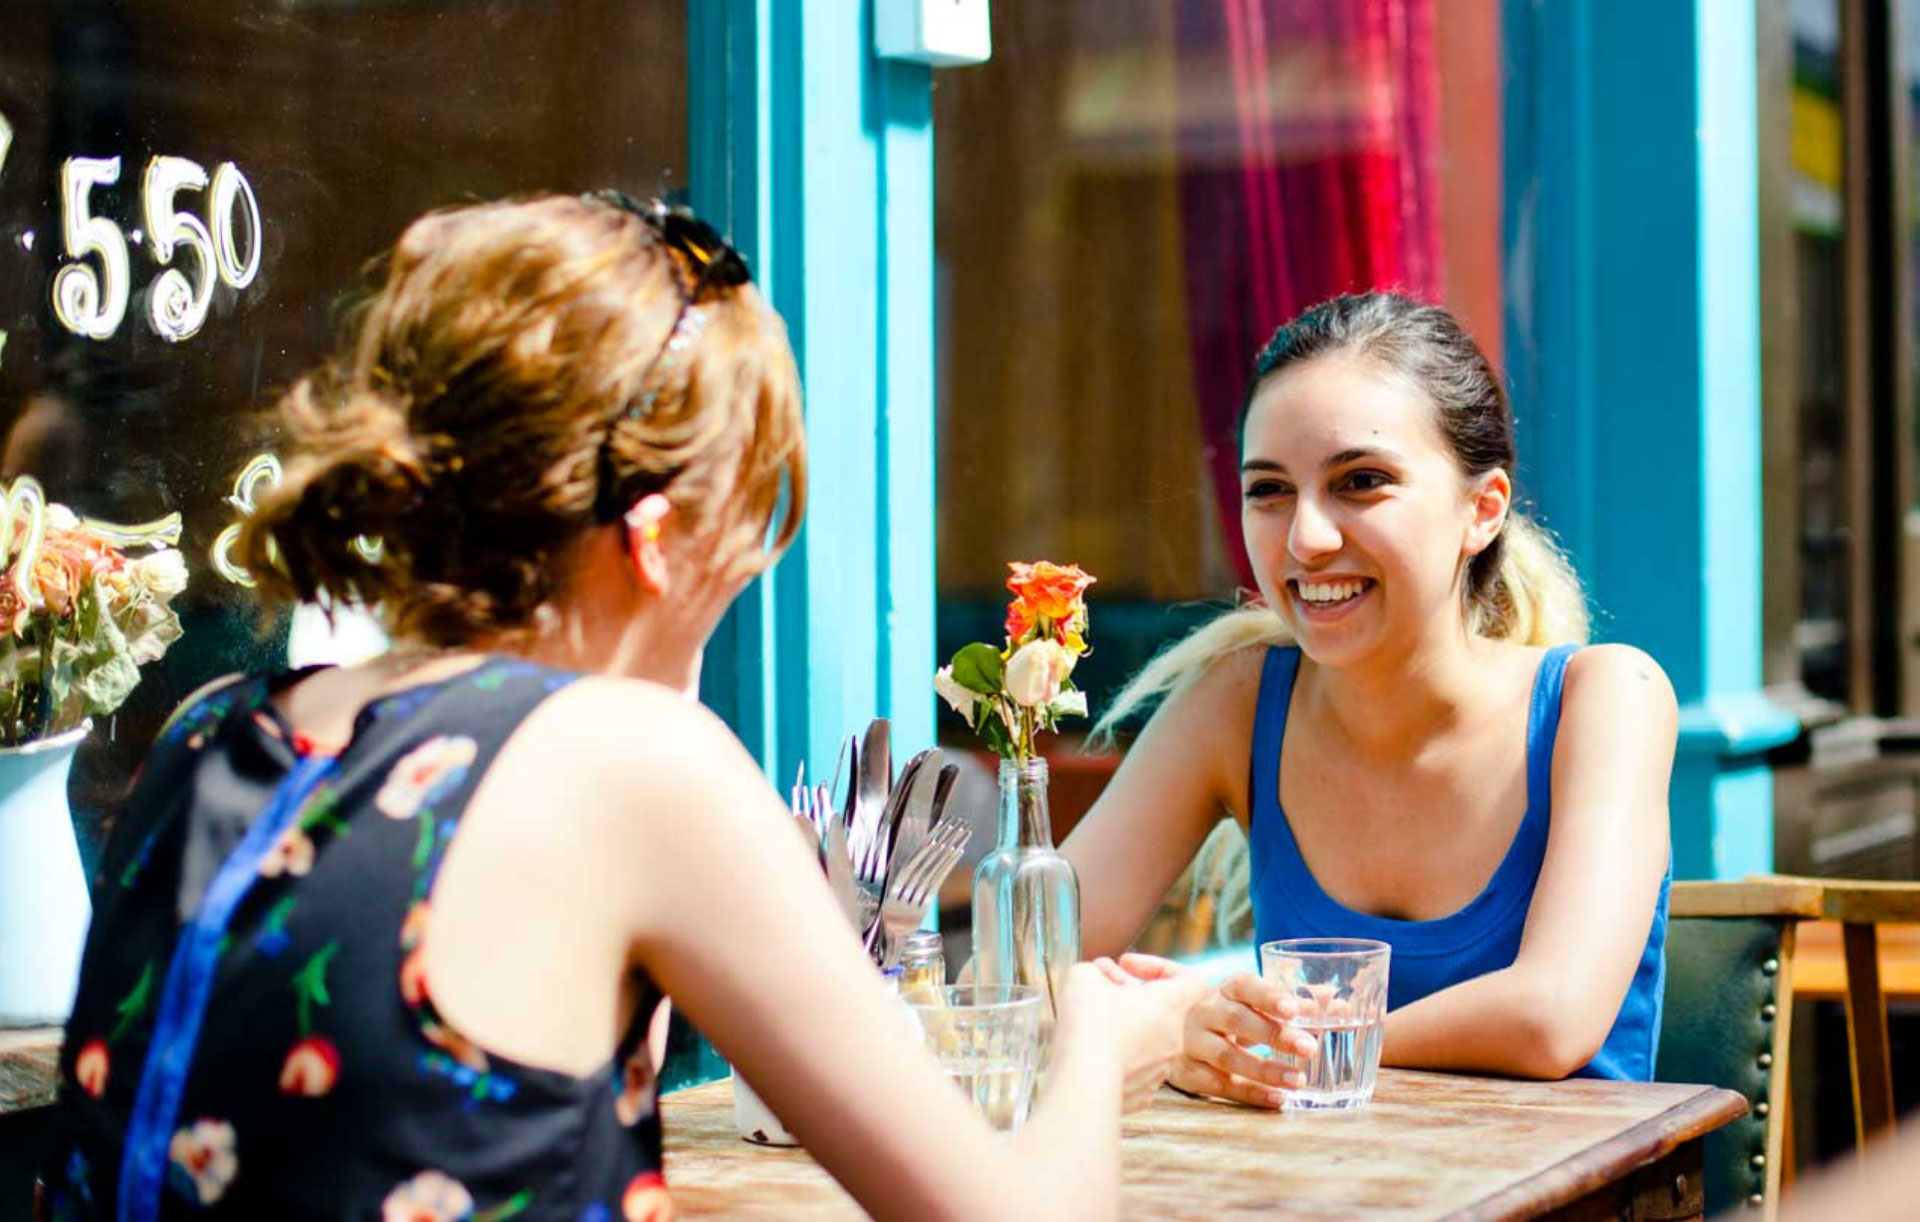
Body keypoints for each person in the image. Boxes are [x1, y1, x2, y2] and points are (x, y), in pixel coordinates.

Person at [38, 193, 1206, 1222]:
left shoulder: (212, 726)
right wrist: (1097, 1043)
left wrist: (644, 660)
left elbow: (569, 1097)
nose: (756, 567)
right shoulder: (637, 768)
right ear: (657, 538)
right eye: (758, 514)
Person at [1067, 291, 1676, 1107]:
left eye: (1361, 481)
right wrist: (1169, 1037)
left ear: (1482, 509)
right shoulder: (1238, 702)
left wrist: (1254, 1046)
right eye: (1269, 490)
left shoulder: (1606, 698)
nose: (1307, 539)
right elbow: (1024, 964)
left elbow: (1551, 1018)